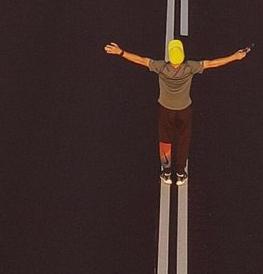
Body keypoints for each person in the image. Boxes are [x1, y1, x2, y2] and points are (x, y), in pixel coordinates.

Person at [104, 37, 250, 183]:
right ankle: (180, 173)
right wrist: (235, 57)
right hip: (184, 109)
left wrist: (121, 52)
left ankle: (166, 173)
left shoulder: (161, 67)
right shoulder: (190, 67)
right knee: (183, 141)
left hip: (165, 109)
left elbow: (141, 60)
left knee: (165, 140)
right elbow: (213, 63)